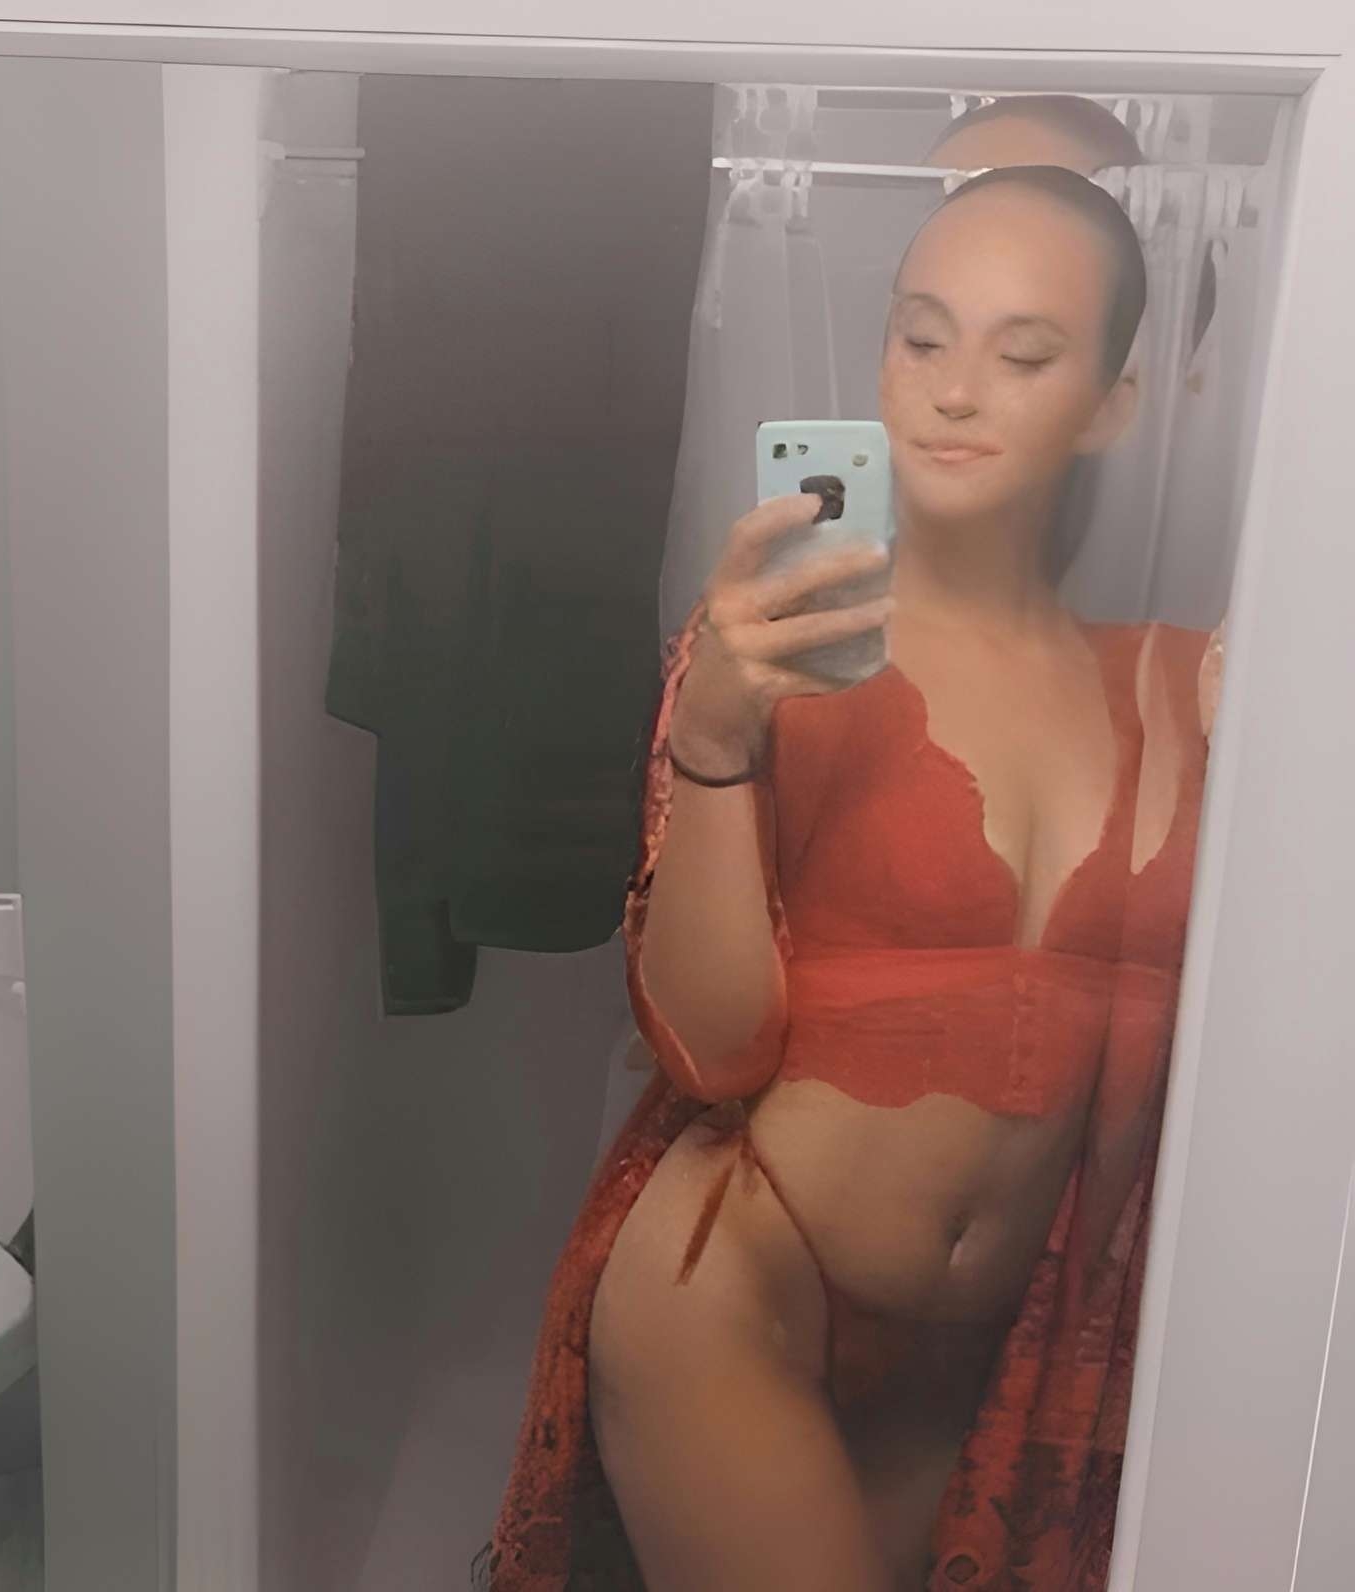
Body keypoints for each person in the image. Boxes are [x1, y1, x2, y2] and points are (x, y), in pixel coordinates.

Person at [477, 161, 1223, 1592]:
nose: (954, 391)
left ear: (1113, 403)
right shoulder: (775, 653)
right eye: (920, 336)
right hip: (737, 1294)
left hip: (974, 1368)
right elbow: (710, 1049)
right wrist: (709, 745)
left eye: (1024, 356)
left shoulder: (1179, 689)